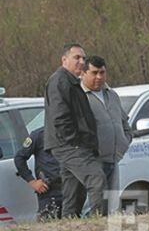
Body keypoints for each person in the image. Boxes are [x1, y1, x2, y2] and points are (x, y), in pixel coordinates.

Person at [43, 43, 107, 217]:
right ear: (64, 60)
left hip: (71, 144)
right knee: (96, 178)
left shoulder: (72, 82)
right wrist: (75, 141)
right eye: (76, 57)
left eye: (83, 58)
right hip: (68, 145)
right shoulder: (59, 81)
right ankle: (99, 222)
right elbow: (59, 116)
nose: (81, 61)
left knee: (74, 192)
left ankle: (70, 226)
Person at [80, 55, 132, 213]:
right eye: (94, 73)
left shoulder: (112, 95)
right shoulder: (80, 97)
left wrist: (125, 141)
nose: (99, 77)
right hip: (93, 162)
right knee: (94, 206)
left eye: (102, 72)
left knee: (111, 206)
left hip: (113, 159)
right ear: (83, 73)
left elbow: (123, 123)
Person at [14, 128, 62, 220]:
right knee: (47, 224)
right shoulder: (39, 135)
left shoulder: (72, 132)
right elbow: (19, 158)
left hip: (71, 189)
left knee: (74, 224)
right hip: (49, 190)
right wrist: (32, 182)